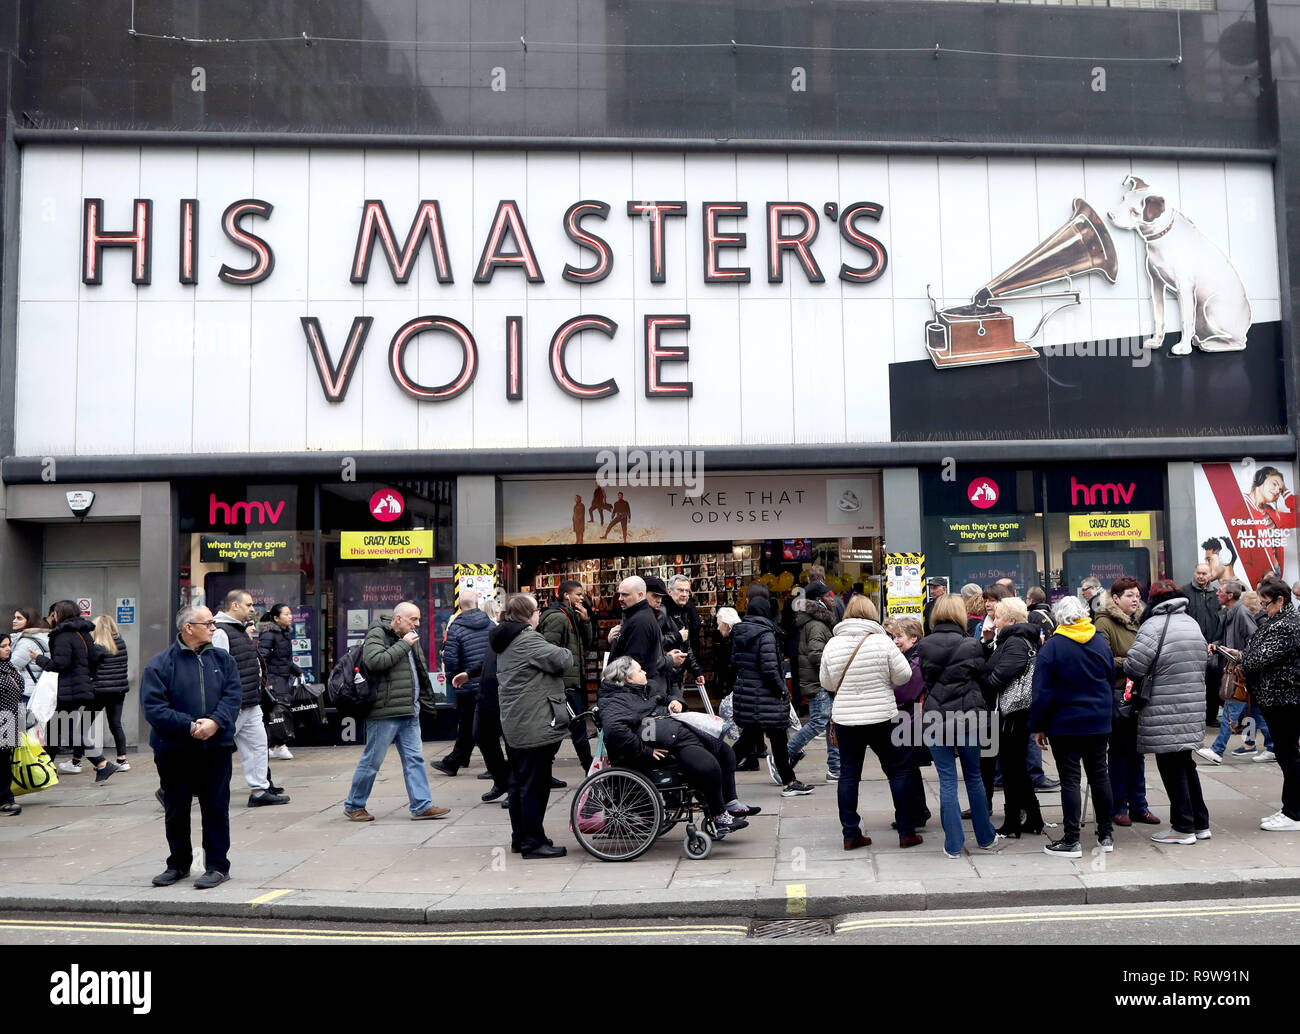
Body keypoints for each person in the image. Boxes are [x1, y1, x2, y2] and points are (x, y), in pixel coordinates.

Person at [141, 605, 243, 889]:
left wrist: (214, 723)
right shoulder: (160, 664)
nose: (213, 628)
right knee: (176, 808)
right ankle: (178, 864)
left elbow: (233, 696)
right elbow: (154, 708)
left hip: (216, 746)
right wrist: (189, 727)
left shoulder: (223, 660)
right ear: (188, 628)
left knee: (215, 807)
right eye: (208, 623)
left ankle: (217, 866)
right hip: (174, 749)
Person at [599, 656, 754, 836]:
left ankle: (730, 803)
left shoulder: (645, 688)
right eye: (640, 671)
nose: (645, 673)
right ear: (628, 678)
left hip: (677, 734)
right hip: (669, 745)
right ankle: (720, 816)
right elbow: (615, 730)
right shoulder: (616, 700)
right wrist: (645, 751)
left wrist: (676, 702)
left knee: (725, 752)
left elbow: (667, 696)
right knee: (708, 767)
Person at [821, 595, 920, 850]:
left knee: (849, 774)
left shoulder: (832, 644)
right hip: (881, 717)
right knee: (898, 770)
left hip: (846, 719)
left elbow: (827, 683)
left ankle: (851, 834)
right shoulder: (882, 642)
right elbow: (904, 675)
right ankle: (907, 832)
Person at [343, 602, 450, 822]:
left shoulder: (409, 636)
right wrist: (403, 645)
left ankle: (422, 805)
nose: (417, 624)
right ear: (399, 619)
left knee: (415, 759)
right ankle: (354, 805)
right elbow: (374, 662)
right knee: (372, 760)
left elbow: (418, 670)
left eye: (419, 619)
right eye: (413, 619)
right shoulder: (378, 633)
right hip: (385, 711)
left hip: (410, 710)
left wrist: (425, 700)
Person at [1123, 580, 1211, 845]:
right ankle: (1200, 823)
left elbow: (1133, 667)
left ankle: (1183, 827)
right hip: (1192, 705)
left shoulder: (1153, 625)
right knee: (1186, 764)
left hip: (1164, 708)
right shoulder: (1191, 623)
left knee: (1171, 767)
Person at [1029, 596, 1115, 859]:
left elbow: (1042, 693)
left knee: (1070, 779)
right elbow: (1110, 679)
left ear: (1058, 618)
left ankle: (1071, 840)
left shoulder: (1052, 648)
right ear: (1083, 615)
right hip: (1098, 720)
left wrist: (1038, 726)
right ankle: (1105, 835)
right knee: (1100, 776)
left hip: (1064, 723)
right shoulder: (1100, 642)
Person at [918, 594, 1002, 858]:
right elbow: (984, 676)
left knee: (946, 780)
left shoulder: (924, 644)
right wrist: (987, 645)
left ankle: (953, 844)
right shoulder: (970, 644)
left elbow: (927, 680)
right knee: (974, 777)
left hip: (936, 716)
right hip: (968, 717)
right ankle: (985, 837)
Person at [492, 593, 571, 858]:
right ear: (528, 614)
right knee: (534, 786)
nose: (540, 614)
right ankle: (533, 843)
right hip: (533, 723)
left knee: (518, 784)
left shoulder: (506, 638)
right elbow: (563, 659)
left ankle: (521, 837)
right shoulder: (527, 639)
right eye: (537, 610)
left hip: (517, 722)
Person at [211, 591, 288, 807]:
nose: (253, 609)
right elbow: (218, 671)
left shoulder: (237, 629)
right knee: (211, 748)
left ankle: (259, 791)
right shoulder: (220, 631)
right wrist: (227, 702)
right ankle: (171, 788)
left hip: (250, 702)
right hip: (236, 704)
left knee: (257, 746)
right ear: (234, 605)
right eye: (249, 605)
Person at [732, 596, 813, 797]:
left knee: (754, 740)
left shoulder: (741, 631)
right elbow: (769, 668)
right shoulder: (765, 634)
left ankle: (789, 779)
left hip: (750, 694)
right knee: (768, 739)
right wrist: (782, 691)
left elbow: (735, 662)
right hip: (766, 696)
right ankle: (789, 781)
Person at [1094, 577, 1159, 827]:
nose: (1135, 599)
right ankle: (1119, 805)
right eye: (1129, 595)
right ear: (1116, 598)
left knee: (1138, 753)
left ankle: (1139, 806)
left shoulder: (1141, 621)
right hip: (1118, 695)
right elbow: (1103, 659)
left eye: (1137, 595)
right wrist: (1132, 661)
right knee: (1120, 753)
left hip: (1138, 695)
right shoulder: (1104, 622)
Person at [980, 597, 1045, 838]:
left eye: (998, 617)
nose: (994, 622)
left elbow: (997, 677)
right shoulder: (1010, 640)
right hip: (1012, 713)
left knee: (1011, 769)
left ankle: (1012, 822)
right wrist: (987, 643)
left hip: (1013, 713)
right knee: (1016, 769)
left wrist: (983, 682)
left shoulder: (1016, 641)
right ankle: (1033, 818)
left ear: (1011, 620)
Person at [1241, 577, 1300, 831]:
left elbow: (1256, 660)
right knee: (1287, 755)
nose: (1263, 609)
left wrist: (1245, 657)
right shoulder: (1278, 621)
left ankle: (1293, 813)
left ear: (1280, 600)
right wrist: (1243, 655)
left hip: (1283, 698)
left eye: (1266, 604)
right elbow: (1254, 653)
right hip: (1276, 698)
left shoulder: (1286, 625)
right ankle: (1291, 808)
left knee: (1289, 756)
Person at [36, 600, 117, 782]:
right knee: (55, 729)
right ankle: (47, 769)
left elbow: (59, 665)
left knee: (64, 728)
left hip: (68, 688)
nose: (52, 617)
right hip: (79, 686)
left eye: (54, 613)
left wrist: (39, 659)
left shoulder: (62, 636)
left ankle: (101, 763)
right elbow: (94, 659)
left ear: (60, 614)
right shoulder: (84, 634)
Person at [1199, 579, 1267, 765]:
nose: (1217, 593)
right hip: (1240, 670)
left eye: (1220, 591)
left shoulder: (1241, 613)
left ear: (1230, 595)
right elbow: (1230, 640)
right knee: (1254, 712)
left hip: (1242, 672)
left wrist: (1240, 655)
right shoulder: (1230, 612)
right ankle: (1268, 744)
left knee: (1231, 709)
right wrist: (1218, 645)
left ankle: (1217, 750)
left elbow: (1255, 642)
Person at [537, 579, 596, 772]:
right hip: (564, 684)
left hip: (570, 682)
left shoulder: (571, 615)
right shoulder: (558, 617)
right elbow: (549, 652)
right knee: (578, 726)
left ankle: (543, 770)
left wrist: (586, 620)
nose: (582, 598)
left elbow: (587, 645)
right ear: (566, 596)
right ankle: (590, 769)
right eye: (578, 594)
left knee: (562, 728)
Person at [434, 589, 492, 778]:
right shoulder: (490, 624)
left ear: (460, 606)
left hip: (465, 683)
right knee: (477, 725)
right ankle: (459, 759)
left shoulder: (456, 627)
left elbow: (450, 658)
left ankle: (456, 762)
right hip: (486, 682)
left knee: (468, 725)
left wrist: (453, 678)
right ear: (477, 604)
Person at [786, 584, 839, 780]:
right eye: (829, 595)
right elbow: (817, 655)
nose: (832, 599)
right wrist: (833, 670)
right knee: (819, 721)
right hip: (819, 682)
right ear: (819, 599)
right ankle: (784, 755)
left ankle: (836, 767)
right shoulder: (817, 624)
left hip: (820, 681)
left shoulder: (817, 621)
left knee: (831, 723)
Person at [888, 617, 932, 833]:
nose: (895, 640)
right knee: (909, 768)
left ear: (914, 637)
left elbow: (904, 691)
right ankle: (919, 811)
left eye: (899, 636)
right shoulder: (909, 656)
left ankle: (916, 813)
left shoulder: (915, 659)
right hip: (907, 718)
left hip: (911, 718)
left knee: (906, 767)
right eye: (894, 636)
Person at [608, 576, 680, 697]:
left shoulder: (640, 620)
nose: (620, 599)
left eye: (625, 595)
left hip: (636, 693)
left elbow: (637, 663)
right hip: (636, 691)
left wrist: (669, 660)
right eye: (620, 594)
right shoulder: (635, 616)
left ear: (640, 595)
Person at [258, 604, 301, 761]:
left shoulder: (284, 634)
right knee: (279, 712)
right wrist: (267, 681)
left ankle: (270, 746)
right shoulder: (269, 634)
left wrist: (298, 671)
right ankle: (279, 746)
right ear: (276, 618)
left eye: (290, 614)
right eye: (286, 614)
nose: (290, 617)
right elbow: (262, 658)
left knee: (274, 712)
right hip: (274, 679)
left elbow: (283, 659)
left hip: (282, 677)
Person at [1183, 562, 1223, 726]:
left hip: (1213, 645)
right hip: (1192, 644)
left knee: (1213, 684)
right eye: (1198, 573)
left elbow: (1222, 618)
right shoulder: (1184, 591)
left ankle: (1211, 717)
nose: (1201, 576)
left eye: (1204, 574)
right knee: (1192, 684)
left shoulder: (1217, 593)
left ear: (1210, 575)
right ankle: (1192, 717)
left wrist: (1217, 641)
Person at [91, 614, 132, 772]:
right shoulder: (121, 643)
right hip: (119, 690)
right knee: (115, 724)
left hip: (100, 690)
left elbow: (91, 668)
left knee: (83, 727)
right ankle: (122, 759)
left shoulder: (97, 647)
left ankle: (77, 761)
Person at [0, 634, 26, 816]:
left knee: (4, 762)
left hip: (10, 720)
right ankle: (6, 799)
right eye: (3, 646)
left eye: (9, 645)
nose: (8, 649)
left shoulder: (9, 667)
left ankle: (5, 798)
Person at [10, 608, 49, 702]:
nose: (14, 621)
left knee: (22, 716)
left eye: (19, 618)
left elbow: (12, 665)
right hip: (36, 690)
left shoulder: (27, 642)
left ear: (29, 621)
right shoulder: (41, 637)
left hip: (26, 691)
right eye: (14, 617)